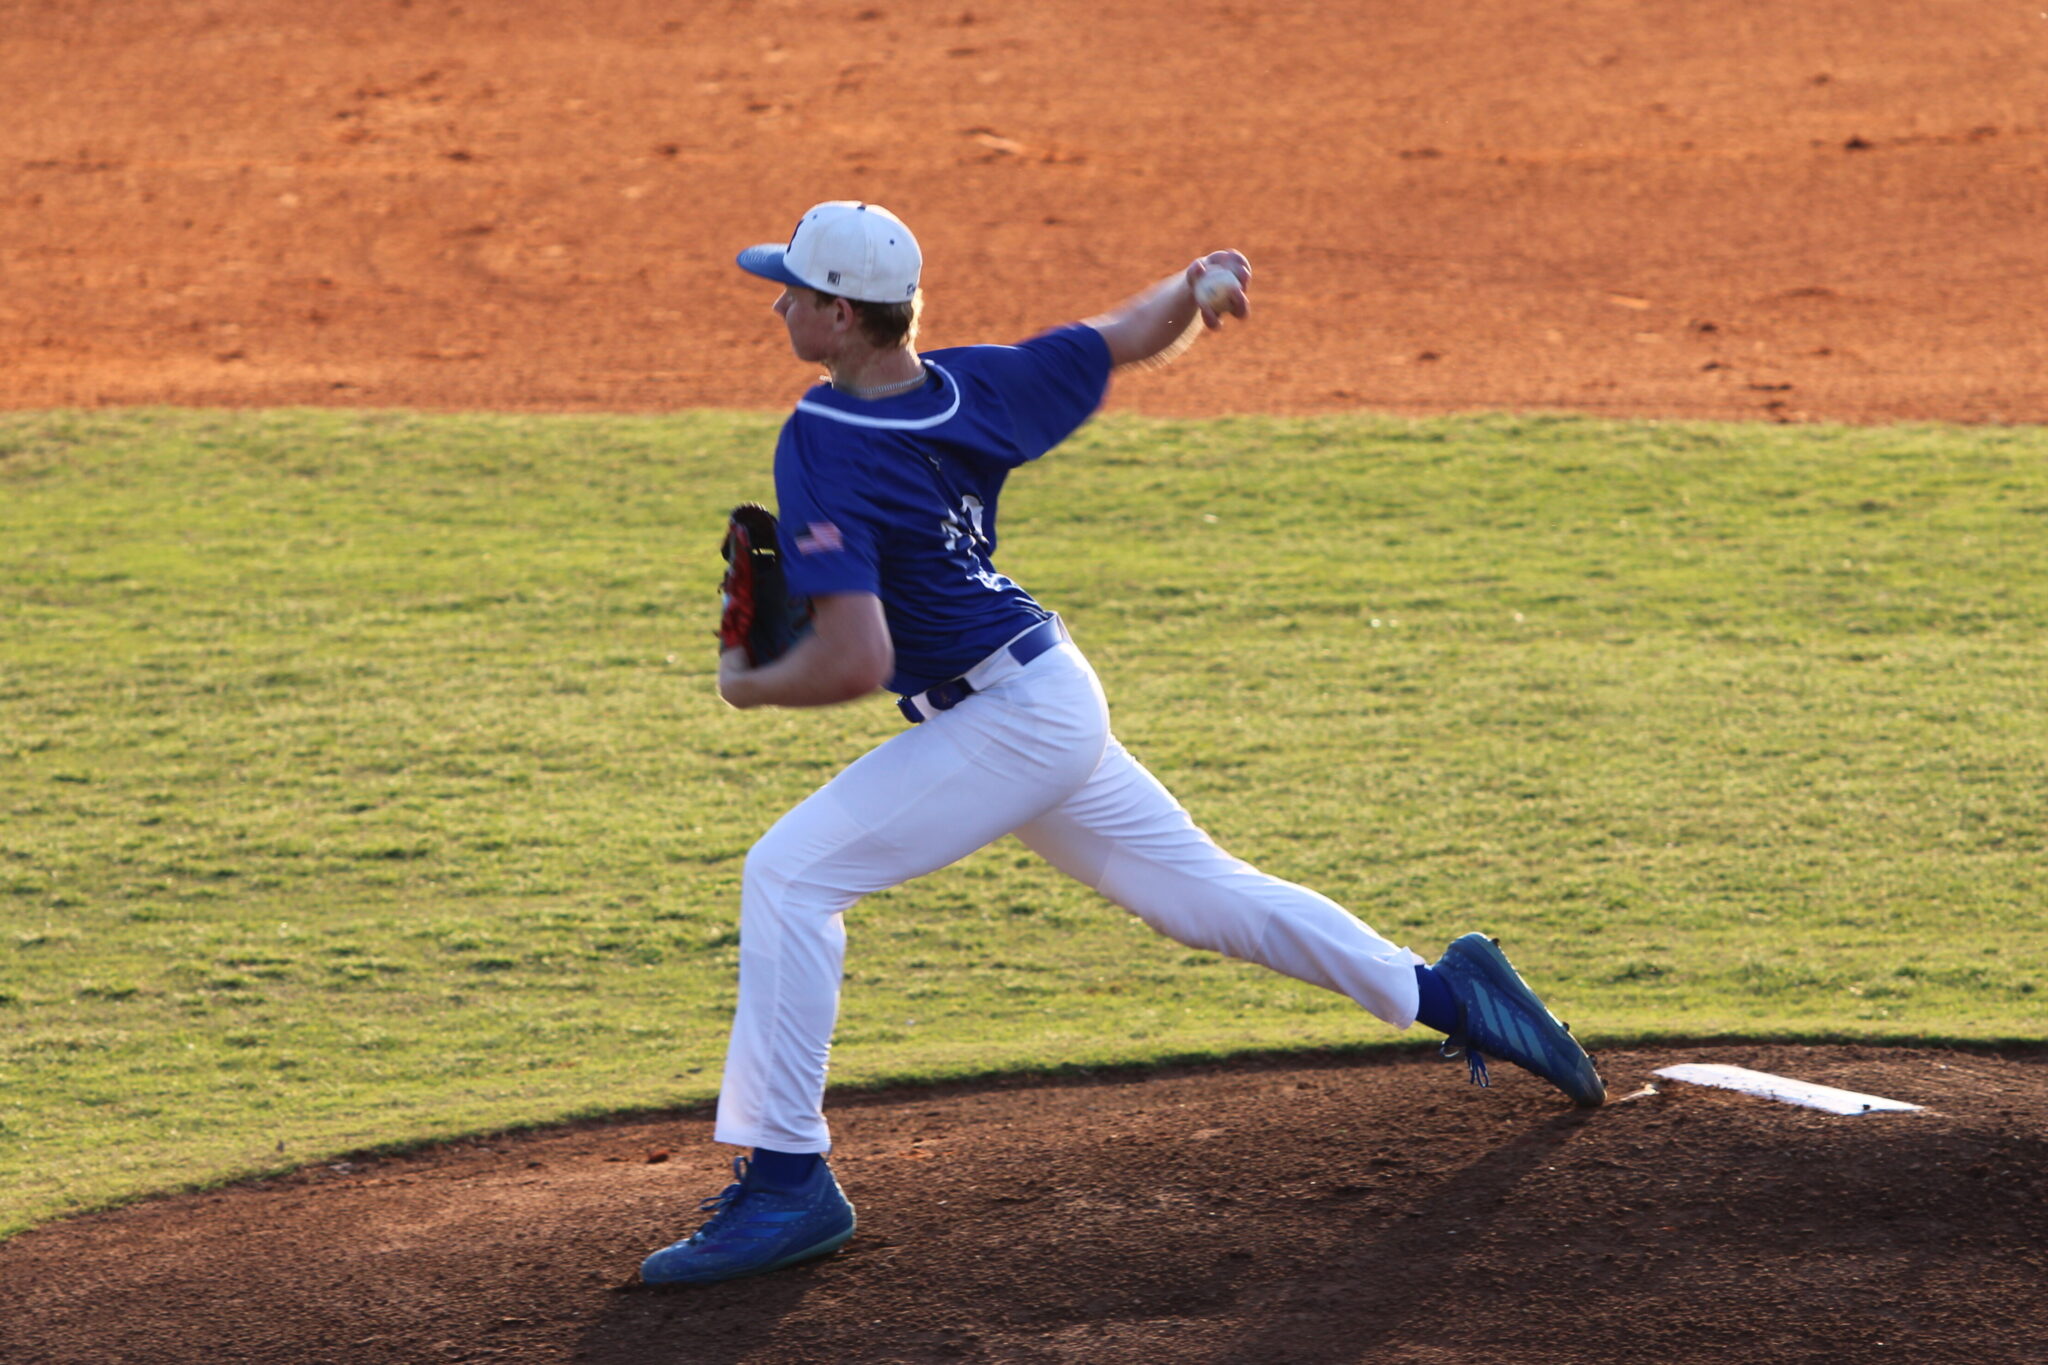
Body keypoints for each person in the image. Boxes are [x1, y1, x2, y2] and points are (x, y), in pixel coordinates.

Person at [639, 201, 1605, 1287]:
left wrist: (747, 684)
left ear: (841, 314)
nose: (776, 303)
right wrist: (1195, 289)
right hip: (1044, 693)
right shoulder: (971, 382)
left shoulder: (822, 435)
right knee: (1199, 896)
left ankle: (785, 1186)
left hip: (1008, 720)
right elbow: (1117, 336)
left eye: (793, 290)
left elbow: (855, 660)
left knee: (790, 876)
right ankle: (1450, 995)